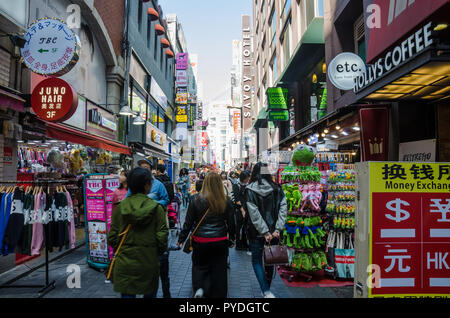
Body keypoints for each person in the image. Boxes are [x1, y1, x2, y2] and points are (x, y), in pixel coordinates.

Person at [107, 167, 168, 298]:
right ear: (147, 185)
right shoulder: (157, 209)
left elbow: (112, 237)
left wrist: (123, 249)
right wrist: (155, 251)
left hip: (125, 263)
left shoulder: (120, 207)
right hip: (149, 262)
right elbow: (162, 238)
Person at [177, 172, 236, 298]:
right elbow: (231, 223)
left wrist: (181, 239)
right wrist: (232, 238)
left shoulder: (195, 199)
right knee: (219, 269)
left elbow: (188, 223)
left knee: (199, 266)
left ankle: (199, 288)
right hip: (219, 240)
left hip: (200, 240)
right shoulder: (226, 201)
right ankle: (218, 294)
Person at [125, 159, 171, 298]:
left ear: (152, 170)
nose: (144, 170)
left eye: (146, 167)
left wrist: (153, 203)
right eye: (141, 167)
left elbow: (166, 199)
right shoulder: (132, 189)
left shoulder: (158, 185)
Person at [245, 162, 287, 298]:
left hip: (256, 233)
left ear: (254, 173)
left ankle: (266, 291)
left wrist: (264, 232)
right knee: (270, 259)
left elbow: (254, 214)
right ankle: (266, 290)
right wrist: (277, 229)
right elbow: (283, 209)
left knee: (257, 261)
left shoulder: (250, 189)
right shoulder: (277, 188)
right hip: (274, 232)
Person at [232, 171, 250, 251]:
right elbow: (237, 199)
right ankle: (238, 244)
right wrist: (242, 210)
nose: (248, 179)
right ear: (243, 178)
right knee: (239, 226)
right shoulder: (236, 185)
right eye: (247, 178)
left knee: (245, 227)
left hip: (246, 208)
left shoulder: (247, 185)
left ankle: (244, 243)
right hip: (239, 209)